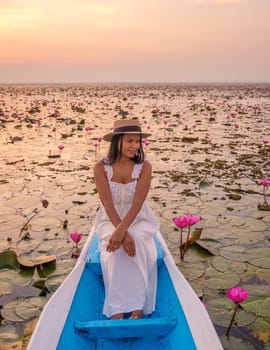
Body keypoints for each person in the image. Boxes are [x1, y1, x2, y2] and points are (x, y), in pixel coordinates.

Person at [93, 118, 160, 320]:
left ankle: (138, 306)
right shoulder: (100, 167)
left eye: (137, 141)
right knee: (114, 250)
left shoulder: (144, 167)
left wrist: (125, 231)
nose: (134, 146)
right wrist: (119, 231)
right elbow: (107, 203)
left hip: (138, 219)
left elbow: (138, 203)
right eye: (130, 141)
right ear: (118, 141)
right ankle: (117, 308)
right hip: (109, 219)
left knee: (137, 243)